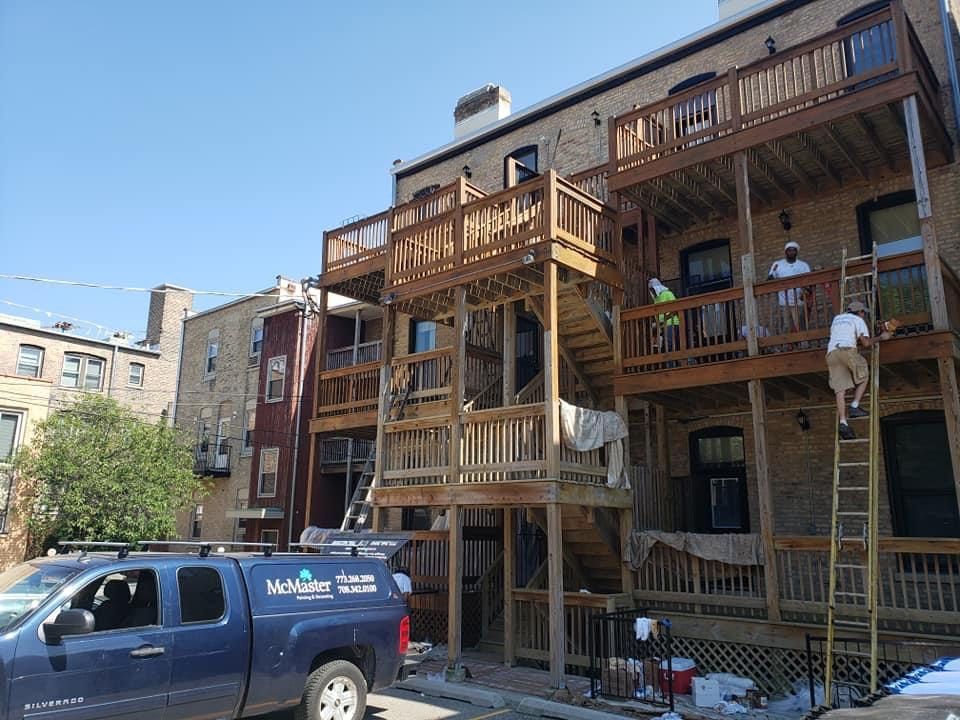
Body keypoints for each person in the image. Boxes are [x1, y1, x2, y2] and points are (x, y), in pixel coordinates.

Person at [826, 300, 891, 440]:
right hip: (846, 350)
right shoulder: (858, 320)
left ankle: (843, 422)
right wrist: (881, 337)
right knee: (864, 375)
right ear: (860, 312)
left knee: (840, 390)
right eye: (863, 313)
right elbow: (866, 343)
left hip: (831, 353)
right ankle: (855, 406)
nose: (863, 315)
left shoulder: (837, 318)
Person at [768, 241, 812, 335]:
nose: (791, 252)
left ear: (796, 252)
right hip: (784, 301)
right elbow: (769, 280)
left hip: (799, 301)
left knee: (800, 325)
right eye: (789, 250)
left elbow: (809, 281)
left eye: (793, 250)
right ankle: (788, 346)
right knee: (786, 326)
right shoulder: (778, 264)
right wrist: (772, 273)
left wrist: (806, 292)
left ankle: (804, 344)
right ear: (785, 252)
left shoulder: (803, 265)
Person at [649, 278, 680, 365]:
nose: (652, 292)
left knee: (671, 345)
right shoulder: (655, 299)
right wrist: (658, 324)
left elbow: (676, 308)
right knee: (666, 346)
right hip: (663, 326)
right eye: (650, 290)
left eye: (652, 289)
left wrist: (665, 319)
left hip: (672, 322)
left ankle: (672, 365)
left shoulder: (668, 293)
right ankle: (671, 364)